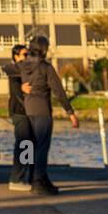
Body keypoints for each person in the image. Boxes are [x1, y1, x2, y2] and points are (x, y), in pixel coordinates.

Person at [18, 34, 79, 195]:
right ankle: (39, 181)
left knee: (29, 145)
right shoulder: (45, 67)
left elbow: (11, 75)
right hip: (42, 110)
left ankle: (30, 177)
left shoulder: (23, 66)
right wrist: (70, 113)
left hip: (28, 109)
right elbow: (59, 91)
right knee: (41, 147)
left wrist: (21, 89)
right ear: (44, 50)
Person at [3, 44, 33, 193]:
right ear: (16, 56)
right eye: (24, 55)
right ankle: (17, 178)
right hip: (20, 113)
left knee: (29, 144)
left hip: (28, 113)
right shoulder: (14, 71)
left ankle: (27, 177)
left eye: (28, 55)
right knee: (24, 143)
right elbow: (17, 94)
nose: (27, 57)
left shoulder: (26, 70)